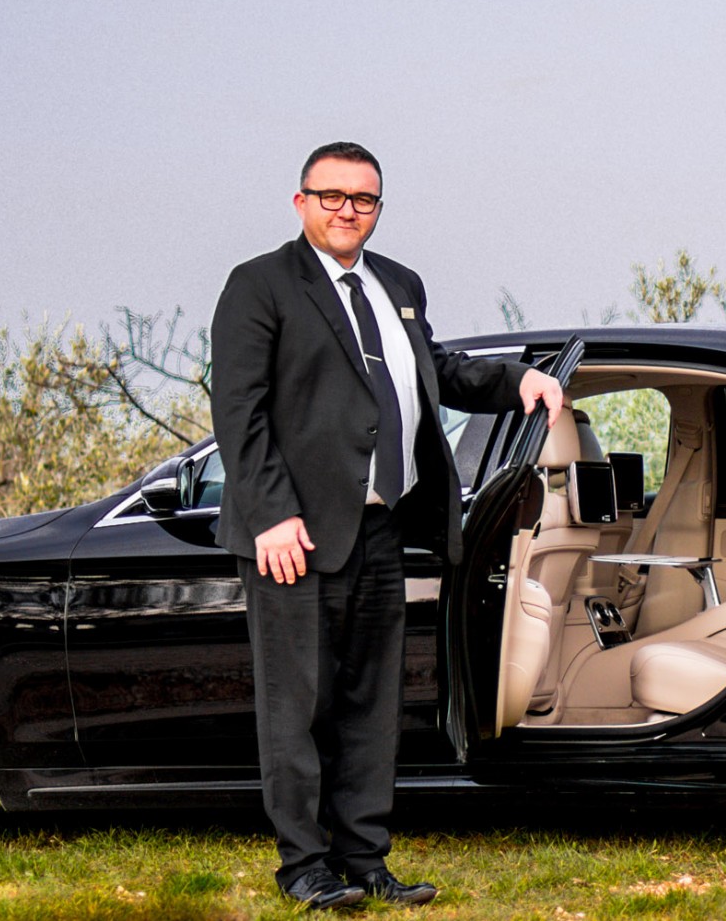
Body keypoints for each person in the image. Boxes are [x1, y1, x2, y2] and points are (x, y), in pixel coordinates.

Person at [210, 141, 564, 910]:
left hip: (380, 528)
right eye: (331, 195)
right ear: (301, 201)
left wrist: (519, 380)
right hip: (294, 536)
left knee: (372, 706)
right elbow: (238, 409)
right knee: (297, 706)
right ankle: (304, 866)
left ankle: (365, 858)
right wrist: (272, 514)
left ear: (378, 207)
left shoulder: (398, 284)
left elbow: (435, 369)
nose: (348, 210)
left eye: (363, 198)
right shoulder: (260, 284)